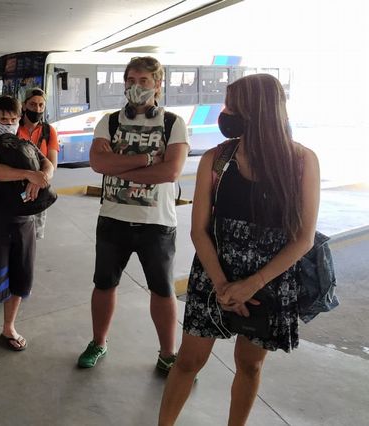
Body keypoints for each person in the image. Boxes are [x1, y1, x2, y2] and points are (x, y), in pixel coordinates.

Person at [158, 74, 320, 426]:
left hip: (268, 280)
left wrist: (251, 285)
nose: (225, 113)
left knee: (250, 364)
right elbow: (199, 231)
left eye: (233, 107)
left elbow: (303, 238)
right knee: (188, 361)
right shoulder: (217, 159)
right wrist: (222, 285)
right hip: (214, 274)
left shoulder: (302, 162)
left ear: (258, 111)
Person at [77, 56, 189, 371]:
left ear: (157, 85)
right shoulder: (109, 122)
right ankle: (98, 342)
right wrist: (147, 160)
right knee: (104, 285)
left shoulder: (172, 123)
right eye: (131, 80)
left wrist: (119, 166)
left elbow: (171, 172)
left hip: (157, 224)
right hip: (113, 220)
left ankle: (167, 353)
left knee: (162, 290)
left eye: (143, 80)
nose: (136, 86)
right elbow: (99, 164)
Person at [0, 95, 54, 357]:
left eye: (13, 119)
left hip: (24, 222)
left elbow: (47, 163)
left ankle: (8, 328)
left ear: (20, 119)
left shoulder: (23, 143)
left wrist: (42, 176)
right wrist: (29, 174)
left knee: (20, 279)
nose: (8, 123)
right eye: (3, 119)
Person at [17, 88, 59, 240]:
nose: (37, 109)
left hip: (38, 190)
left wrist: (37, 181)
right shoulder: (14, 128)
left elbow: (52, 164)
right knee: (15, 233)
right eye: (33, 104)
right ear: (24, 105)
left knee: (34, 236)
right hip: (16, 188)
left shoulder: (49, 131)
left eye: (41, 105)